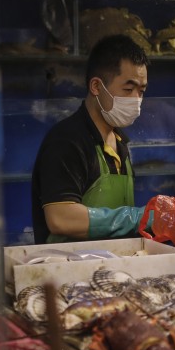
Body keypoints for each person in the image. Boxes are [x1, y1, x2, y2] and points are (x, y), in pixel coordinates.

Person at [31, 34, 149, 244]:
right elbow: (61, 218)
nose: (136, 100)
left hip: (116, 264)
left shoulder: (120, 142)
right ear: (96, 86)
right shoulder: (66, 141)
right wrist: (142, 217)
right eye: (128, 89)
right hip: (67, 268)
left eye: (141, 91)